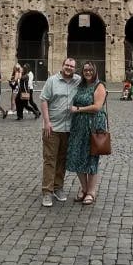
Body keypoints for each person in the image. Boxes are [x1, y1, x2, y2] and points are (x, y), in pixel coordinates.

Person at [39, 58, 81, 207]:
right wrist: (46, 122)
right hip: (53, 127)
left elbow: (93, 84)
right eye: (67, 65)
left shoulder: (78, 80)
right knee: (50, 159)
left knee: (62, 159)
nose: (69, 68)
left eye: (72, 66)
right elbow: (44, 100)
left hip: (69, 128)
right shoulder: (52, 81)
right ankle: (47, 192)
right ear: (62, 66)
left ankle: (58, 187)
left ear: (75, 68)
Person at [66, 60, 107, 206]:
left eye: (90, 69)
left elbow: (97, 107)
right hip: (78, 126)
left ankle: (91, 192)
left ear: (95, 71)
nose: (88, 72)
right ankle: (84, 188)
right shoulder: (81, 85)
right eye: (85, 70)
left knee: (91, 158)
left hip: (93, 125)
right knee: (76, 155)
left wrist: (78, 109)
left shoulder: (99, 85)